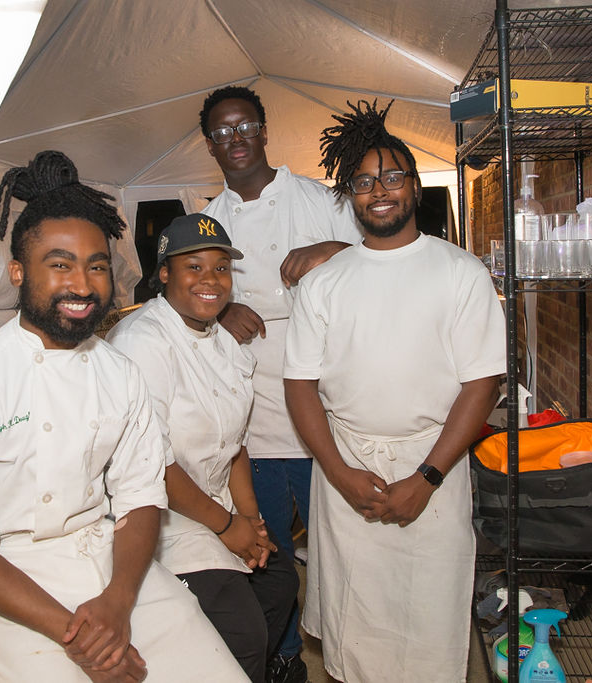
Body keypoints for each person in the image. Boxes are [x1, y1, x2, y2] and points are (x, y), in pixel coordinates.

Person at [0, 151, 248, 683]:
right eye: (60, 264)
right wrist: (83, 639)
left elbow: (141, 497)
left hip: (116, 568)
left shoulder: (119, 372)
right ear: (19, 273)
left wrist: (117, 606)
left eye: (96, 266)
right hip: (16, 585)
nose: (82, 283)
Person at [283, 100, 507, 683]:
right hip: (346, 467)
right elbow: (300, 385)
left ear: (413, 185)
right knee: (355, 627)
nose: (378, 190)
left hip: (434, 465)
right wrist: (337, 471)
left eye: (391, 176)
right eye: (363, 181)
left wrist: (426, 478)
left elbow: (482, 383)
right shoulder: (325, 283)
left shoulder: (460, 273)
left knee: (430, 623)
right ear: (349, 195)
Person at [199, 85, 361, 682]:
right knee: (263, 554)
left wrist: (333, 248)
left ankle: (350, 653)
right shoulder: (209, 220)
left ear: (265, 130)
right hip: (256, 414)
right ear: (210, 145)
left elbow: (378, 257)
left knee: (342, 551)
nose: (234, 139)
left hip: (326, 404)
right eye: (221, 132)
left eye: (244, 127)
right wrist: (220, 310)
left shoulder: (320, 199)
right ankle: (284, 654)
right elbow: (192, 291)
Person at [107, 213, 300, 683]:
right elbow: (152, 463)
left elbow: (233, 445)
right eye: (193, 267)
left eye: (220, 268)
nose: (210, 280)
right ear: (165, 273)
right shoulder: (143, 342)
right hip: (159, 518)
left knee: (280, 582)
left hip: (217, 506)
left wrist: (251, 521)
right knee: (241, 630)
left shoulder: (224, 342)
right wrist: (228, 527)